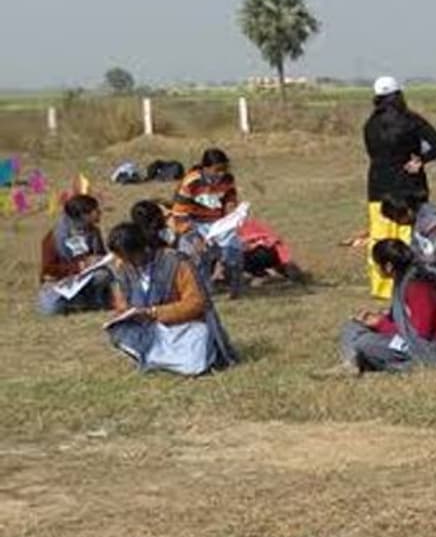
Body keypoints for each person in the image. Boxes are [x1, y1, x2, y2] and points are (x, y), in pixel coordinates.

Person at [104, 222, 237, 376]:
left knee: (198, 346)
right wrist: (124, 314)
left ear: (141, 248)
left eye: (127, 256)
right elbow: (123, 303)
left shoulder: (176, 262)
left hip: (184, 328)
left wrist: (155, 312)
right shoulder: (125, 268)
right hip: (152, 330)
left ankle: (159, 360)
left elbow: (196, 304)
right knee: (120, 331)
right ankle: (162, 359)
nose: (123, 261)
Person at [364, 76, 436, 299]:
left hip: (378, 187)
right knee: (409, 235)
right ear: (399, 95)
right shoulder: (411, 121)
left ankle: (382, 286)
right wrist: (421, 159)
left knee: (380, 237)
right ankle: (411, 284)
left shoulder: (370, 124)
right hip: (409, 187)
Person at [334, 239, 436, 375]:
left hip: (434, 348)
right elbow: (405, 316)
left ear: (388, 266)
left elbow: (420, 331)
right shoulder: (403, 279)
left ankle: (361, 360)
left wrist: (380, 323)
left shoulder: (418, 286)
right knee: (352, 327)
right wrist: (378, 317)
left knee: (364, 343)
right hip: (414, 340)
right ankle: (351, 364)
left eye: (376, 265)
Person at [172, 148, 245, 297]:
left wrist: (233, 213)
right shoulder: (191, 182)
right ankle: (202, 291)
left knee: (233, 253)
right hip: (193, 223)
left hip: (218, 224)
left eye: (224, 169)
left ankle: (235, 287)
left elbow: (229, 200)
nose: (221, 174)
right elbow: (179, 215)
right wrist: (194, 237)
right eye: (217, 170)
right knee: (197, 256)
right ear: (205, 168)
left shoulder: (227, 180)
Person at [37, 194, 113, 316]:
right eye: (95, 210)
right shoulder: (55, 237)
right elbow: (48, 270)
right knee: (51, 309)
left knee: (103, 275)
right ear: (83, 215)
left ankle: (92, 301)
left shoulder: (93, 232)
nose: (99, 213)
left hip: (87, 278)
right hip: (62, 281)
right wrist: (79, 266)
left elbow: (100, 255)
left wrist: (98, 260)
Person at [239, 218, 306, 284]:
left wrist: (253, 244)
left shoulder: (248, 224)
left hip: (267, 252)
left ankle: (262, 275)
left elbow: (272, 239)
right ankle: (261, 274)